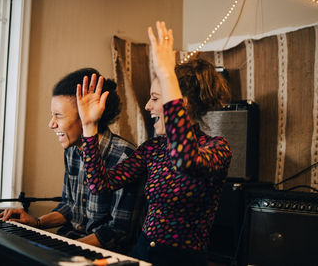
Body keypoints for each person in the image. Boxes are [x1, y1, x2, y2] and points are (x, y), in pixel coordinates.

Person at [76, 21, 232, 266]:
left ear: (182, 103)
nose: (148, 106)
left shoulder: (217, 148)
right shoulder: (153, 148)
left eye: (156, 98)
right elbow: (99, 184)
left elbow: (186, 160)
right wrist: (89, 127)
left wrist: (168, 74)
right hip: (143, 255)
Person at [0, 68, 143, 253]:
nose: (51, 124)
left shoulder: (125, 156)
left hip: (104, 254)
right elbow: (69, 206)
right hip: (70, 241)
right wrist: (37, 222)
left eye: (58, 115)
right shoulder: (72, 150)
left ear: (86, 116)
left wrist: (61, 247)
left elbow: (117, 232)